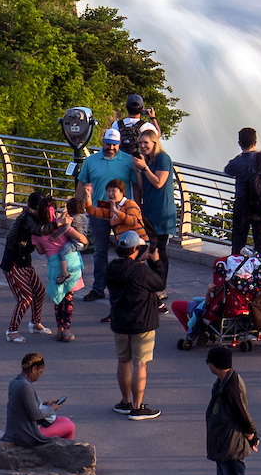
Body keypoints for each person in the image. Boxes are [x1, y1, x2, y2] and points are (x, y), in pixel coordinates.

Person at [107, 229, 167, 419]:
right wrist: (155, 261)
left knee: (123, 361)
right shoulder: (142, 271)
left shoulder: (112, 268)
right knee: (140, 365)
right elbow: (159, 284)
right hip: (142, 323)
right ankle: (137, 407)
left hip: (119, 322)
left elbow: (129, 270)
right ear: (135, 249)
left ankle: (125, 402)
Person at [205, 344, 260, 475]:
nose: (207, 364)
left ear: (216, 365)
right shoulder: (223, 382)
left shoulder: (231, 387)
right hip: (222, 445)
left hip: (231, 446)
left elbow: (243, 415)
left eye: (209, 361)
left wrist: (252, 435)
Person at [76, 128, 131, 299]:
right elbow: (82, 183)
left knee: (127, 250)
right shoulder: (91, 161)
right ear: (103, 143)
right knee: (100, 251)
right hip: (99, 212)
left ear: (119, 144)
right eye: (108, 144)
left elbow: (136, 185)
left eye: (115, 145)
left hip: (121, 211)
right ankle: (98, 288)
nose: (111, 148)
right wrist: (76, 209)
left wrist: (137, 208)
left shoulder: (128, 161)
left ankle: (124, 288)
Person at [32, 196, 87, 341]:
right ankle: (67, 331)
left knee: (58, 300)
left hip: (53, 265)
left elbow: (41, 251)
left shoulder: (36, 232)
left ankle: (59, 329)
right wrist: (86, 241)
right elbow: (81, 239)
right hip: (71, 263)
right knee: (68, 299)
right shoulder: (62, 226)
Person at [222, 127, 261, 256]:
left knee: (238, 240)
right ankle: (260, 270)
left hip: (242, 204)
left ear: (239, 144)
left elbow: (227, 170)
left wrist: (238, 158)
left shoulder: (237, 162)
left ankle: (237, 269)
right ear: (255, 142)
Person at [0, 189, 50, 341]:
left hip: (25, 261)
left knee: (39, 291)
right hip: (13, 262)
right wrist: (57, 224)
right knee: (25, 297)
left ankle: (35, 323)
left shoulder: (36, 217)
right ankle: (12, 331)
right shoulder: (26, 218)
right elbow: (39, 230)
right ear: (33, 207)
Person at [5, 350, 76, 445]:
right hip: (26, 433)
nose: (39, 376)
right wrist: (52, 409)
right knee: (70, 427)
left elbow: (26, 406)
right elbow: (35, 414)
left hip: (17, 429)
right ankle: (65, 456)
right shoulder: (25, 386)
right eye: (40, 372)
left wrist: (45, 404)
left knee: (65, 420)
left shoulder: (16, 381)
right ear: (34, 369)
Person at [131, 124, 180, 255]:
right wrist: (137, 171)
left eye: (146, 143)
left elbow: (159, 183)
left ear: (154, 143)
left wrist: (144, 168)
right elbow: (143, 187)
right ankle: (153, 275)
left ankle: (160, 276)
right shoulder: (148, 160)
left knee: (160, 250)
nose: (142, 146)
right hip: (149, 210)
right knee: (151, 249)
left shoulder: (163, 158)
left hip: (161, 211)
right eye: (140, 143)